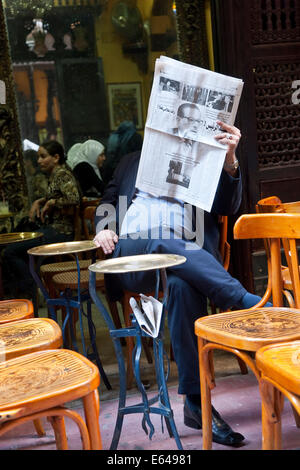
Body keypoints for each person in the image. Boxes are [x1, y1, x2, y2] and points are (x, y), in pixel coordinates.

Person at [93, 120, 268, 447]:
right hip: (135, 250)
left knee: (183, 286)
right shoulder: (132, 160)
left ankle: (195, 402)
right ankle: (246, 305)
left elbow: (229, 205)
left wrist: (229, 158)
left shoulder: (201, 161)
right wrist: (103, 227)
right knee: (160, 235)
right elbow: (108, 200)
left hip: (186, 253)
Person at [3, 140, 81, 299]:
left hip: (61, 231)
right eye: (38, 157)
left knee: (10, 252)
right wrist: (40, 201)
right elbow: (54, 196)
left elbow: (75, 199)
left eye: (43, 157)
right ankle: (31, 289)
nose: (38, 161)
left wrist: (52, 203)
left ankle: (32, 290)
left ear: (56, 157)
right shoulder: (55, 175)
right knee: (14, 248)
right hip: (52, 229)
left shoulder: (62, 174)